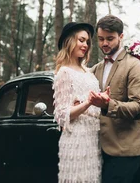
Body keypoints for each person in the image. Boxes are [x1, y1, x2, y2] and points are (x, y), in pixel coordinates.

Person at [89, 15, 140, 183]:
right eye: (101, 39)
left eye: (110, 39)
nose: (104, 43)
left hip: (126, 154)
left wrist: (109, 105)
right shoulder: (97, 69)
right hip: (102, 151)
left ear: (121, 37)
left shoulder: (134, 66)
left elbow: (138, 108)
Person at [53, 22, 102, 183]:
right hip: (76, 138)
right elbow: (61, 115)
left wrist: (103, 98)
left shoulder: (88, 72)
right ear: (70, 41)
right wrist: (87, 103)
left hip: (94, 136)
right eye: (81, 40)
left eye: (87, 41)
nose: (85, 45)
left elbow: (94, 101)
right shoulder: (64, 72)